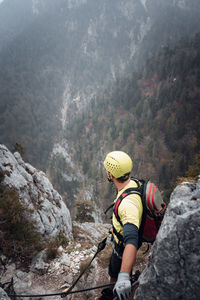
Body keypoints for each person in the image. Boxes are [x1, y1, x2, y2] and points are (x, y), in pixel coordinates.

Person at [97, 151, 143, 300]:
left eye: (107, 171)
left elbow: (132, 239)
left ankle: (116, 293)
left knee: (116, 273)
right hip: (119, 243)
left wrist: (123, 277)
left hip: (122, 249)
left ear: (111, 174)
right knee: (114, 271)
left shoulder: (128, 205)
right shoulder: (133, 183)